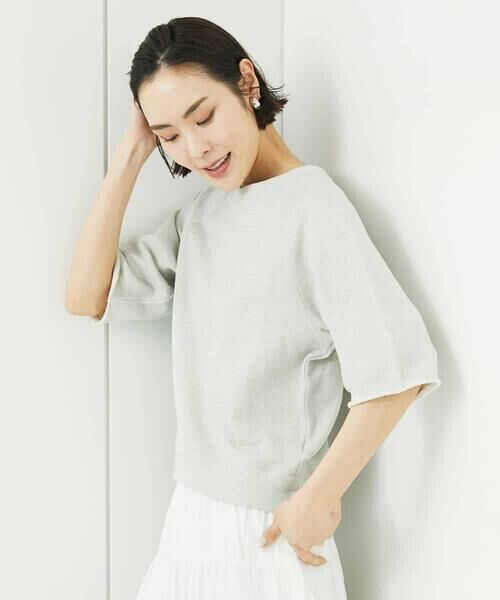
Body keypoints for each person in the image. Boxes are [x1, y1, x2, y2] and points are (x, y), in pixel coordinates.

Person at [65, 16, 441, 599]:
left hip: (266, 538)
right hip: (190, 522)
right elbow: (87, 296)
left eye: (203, 117)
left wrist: (319, 497)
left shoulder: (313, 209)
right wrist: (130, 158)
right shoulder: (203, 217)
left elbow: (398, 370)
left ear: (247, 82)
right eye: (169, 135)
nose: (195, 150)